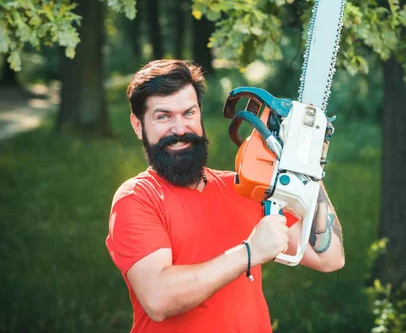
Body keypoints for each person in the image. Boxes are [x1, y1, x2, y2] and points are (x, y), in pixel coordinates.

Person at [106, 59, 345, 333]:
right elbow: (159, 298)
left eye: (188, 113)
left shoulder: (244, 187)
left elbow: (329, 258)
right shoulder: (137, 198)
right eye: (163, 116)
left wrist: (308, 168)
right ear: (138, 125)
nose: (180, 128)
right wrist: (250, 252)